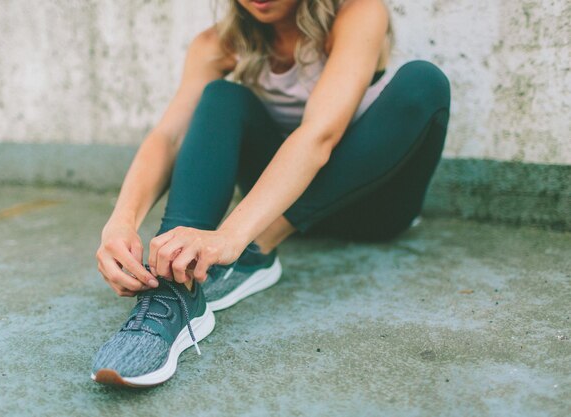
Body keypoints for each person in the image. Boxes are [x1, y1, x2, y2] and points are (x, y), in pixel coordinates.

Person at [91, 0, 451, 387]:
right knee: (220, 97)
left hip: (372, 210)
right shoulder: (216, 45)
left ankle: (254, 250)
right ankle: (175, 284)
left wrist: (232, 236)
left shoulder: (359, 14)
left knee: (423, 82)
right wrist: (120, 222)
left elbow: (320, 135)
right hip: (277, 202)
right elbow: (169, 136)